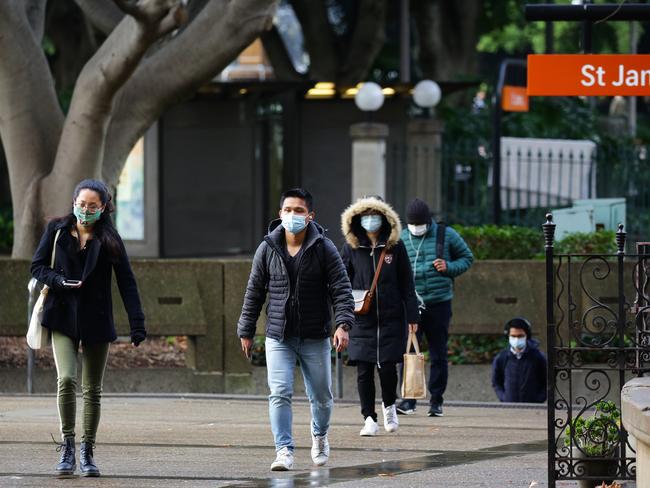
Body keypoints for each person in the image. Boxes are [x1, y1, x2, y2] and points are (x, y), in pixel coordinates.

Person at [30, 179, 146, 478]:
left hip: (96, 318)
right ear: (73, 202)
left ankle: (87, 450)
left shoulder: (110, 239)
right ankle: (68, 445)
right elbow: (37, 267)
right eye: (81, 204)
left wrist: (137, 324)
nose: (85, 210)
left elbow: (127, 282)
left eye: (92, 206)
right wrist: (59, 281)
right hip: (62, 315)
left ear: (104, 207)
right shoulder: (56, 231)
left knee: (92, 389)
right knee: (66, 379)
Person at [237, 188, 354, 471]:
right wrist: (246, 329)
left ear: (310, 216)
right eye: (288, 210)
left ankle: (320, 434)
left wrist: (343, 324)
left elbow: (341, 289)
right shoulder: (267, 248)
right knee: (279, 392)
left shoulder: (324, 248)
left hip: (315, 334)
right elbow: (254, 291)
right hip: (279, 335)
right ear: (280, 214)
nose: (293, 215)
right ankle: (284, 450)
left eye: (299, 211)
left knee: (322, 397)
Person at [340, 196, 419, 437]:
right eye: (365, 216)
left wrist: (412, 317)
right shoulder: (351, 248)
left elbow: (407, 284)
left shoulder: (396, 247)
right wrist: (342, 320)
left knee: (387, 368)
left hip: (391, 318)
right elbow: (341, 283)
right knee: (363, 370)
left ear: (385, 219)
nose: (370, 221)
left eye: (375, 216)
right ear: (357, 219)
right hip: (361, 318)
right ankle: (368, 418)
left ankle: (389, 407)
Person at [396, 198, 473, 417]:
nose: (416, 228)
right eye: (413, 224)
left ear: (429, 221)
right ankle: (408, 400)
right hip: (412, 304)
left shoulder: (445, 234)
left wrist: (449, 267)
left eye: (420, 224)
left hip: (439, 302)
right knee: (410, 351)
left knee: (438, 352)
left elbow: (467, 258)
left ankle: (436, 401)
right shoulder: (401, 237)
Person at [491, 317, 547, 403]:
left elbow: (547, 381)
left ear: (527, 336)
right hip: (509, 408)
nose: (516, 339)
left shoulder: (538, 356)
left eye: (520, 336)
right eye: (513, 336)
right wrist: (504, 397)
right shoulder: (501, 357)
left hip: (533, 408)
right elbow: (496, 382)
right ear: (508, 336)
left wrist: (539, 399)